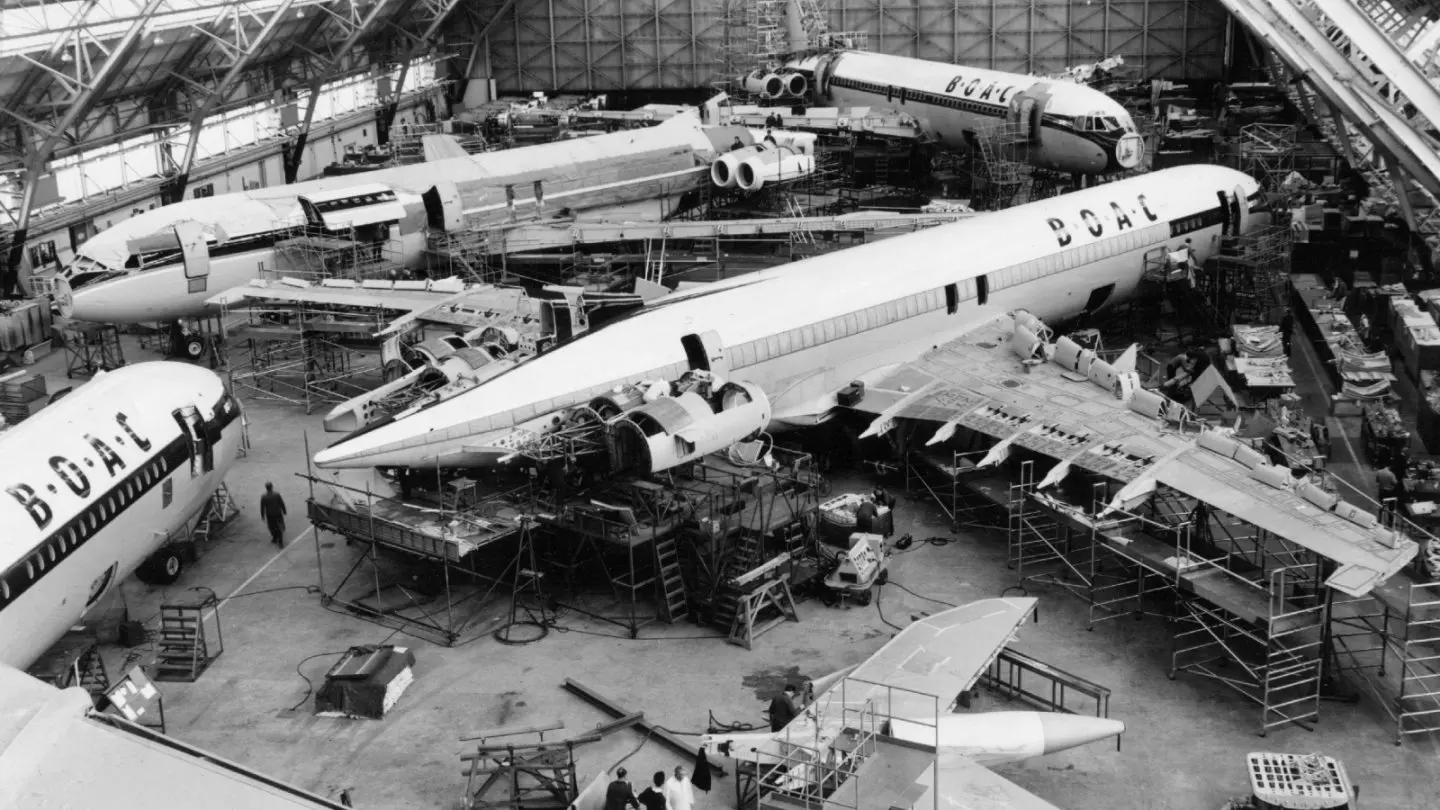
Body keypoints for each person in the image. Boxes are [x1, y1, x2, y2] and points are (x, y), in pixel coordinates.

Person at [259, 482, 287, 547]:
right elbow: (281, 503)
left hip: (270, 515)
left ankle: (274, 537)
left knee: (272, 527)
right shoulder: (277, 494)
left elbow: (262, 507)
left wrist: (262, 516)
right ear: (272, 487)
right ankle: (280, 542)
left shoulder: (264, 497)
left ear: (266, 488)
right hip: (278, 513)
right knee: (279, 527)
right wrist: (284, 510)